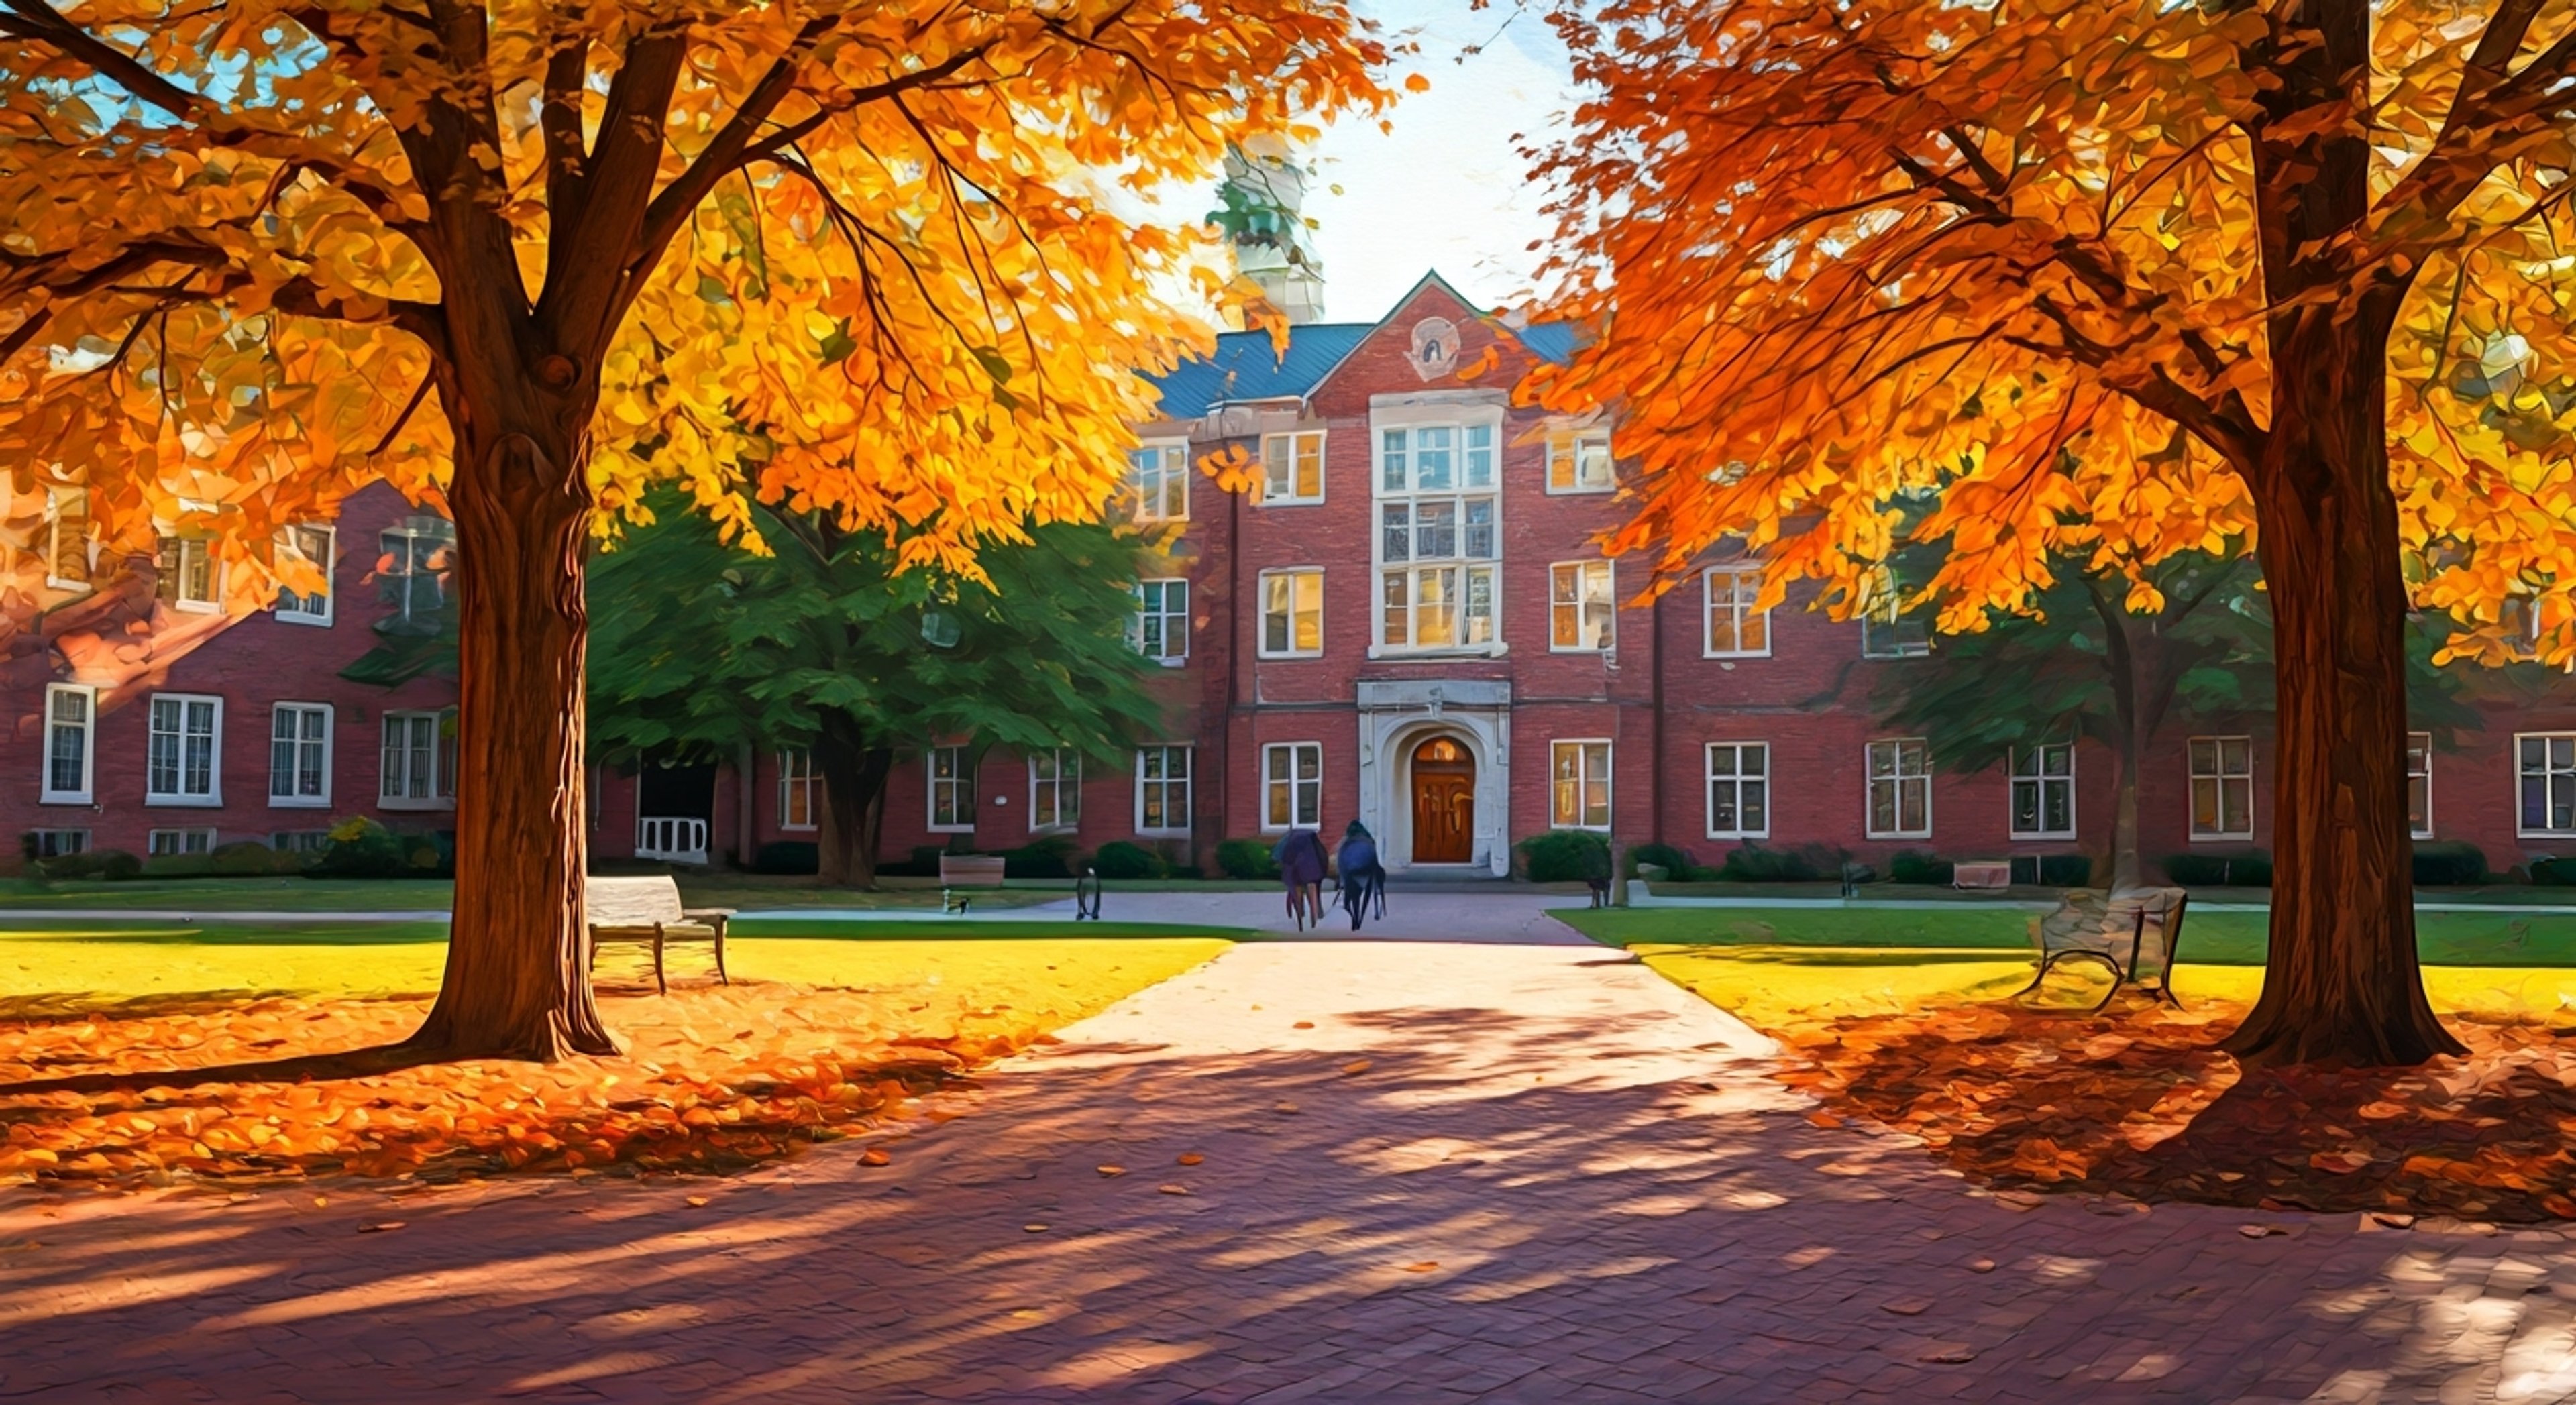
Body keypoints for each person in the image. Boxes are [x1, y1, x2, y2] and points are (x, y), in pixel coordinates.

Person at [1271, 826, 1328, 930]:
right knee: (1313, 889)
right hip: (1313, 873)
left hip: (1295, 874)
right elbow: (1323, 860)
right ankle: (1316, 915)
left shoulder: (1288, 842)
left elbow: (1278, 858)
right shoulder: (1315, 844)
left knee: (1296, 890)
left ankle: (1300, 917)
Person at [1336, 820, 1385, 930]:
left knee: (1351, 895)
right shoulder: (1369, 841)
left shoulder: (1346, 842)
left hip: (1350, 873)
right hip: (1366, 871)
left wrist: (1341, 880)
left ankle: (1352, 914)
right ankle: (1361, 917)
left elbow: (1340, 862)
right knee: (1363, 891)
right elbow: (1375, 861)